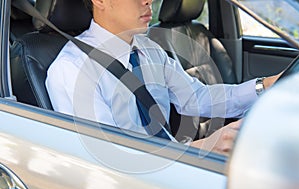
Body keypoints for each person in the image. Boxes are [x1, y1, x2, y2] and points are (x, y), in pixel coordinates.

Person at [45, 0, 280, 155]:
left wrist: (265, 86)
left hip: (174, 164)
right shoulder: (71, 70)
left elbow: (198, 97)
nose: (149, 0)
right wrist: (201, 148)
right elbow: (110, 161)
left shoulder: (149, 50)